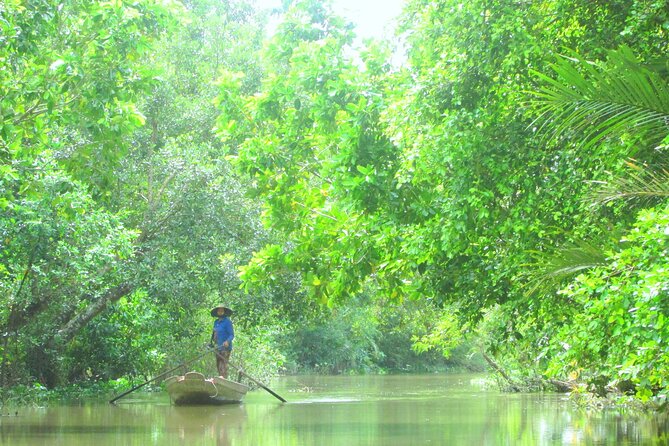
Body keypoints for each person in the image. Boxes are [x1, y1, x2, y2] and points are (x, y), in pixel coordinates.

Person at [210, 305, 234, 378]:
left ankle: (224, 382)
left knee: (223, 366)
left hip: (225, 348)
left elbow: (231, 335)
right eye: (219, 310)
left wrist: (227, 341)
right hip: (218, 347)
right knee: (218, 365)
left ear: (224, 312)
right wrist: (211, 343)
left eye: (222, 311)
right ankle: (221, 380)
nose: (220, 312)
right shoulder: (216, 322)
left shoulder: (227, 322)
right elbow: (214, 334)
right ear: (217, 312)